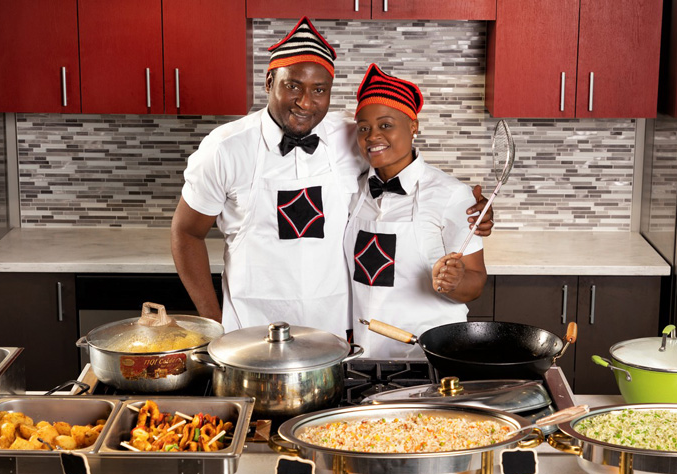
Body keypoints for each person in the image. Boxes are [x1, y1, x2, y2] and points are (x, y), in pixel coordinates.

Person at [171, 17, 493, 338]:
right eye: (292, 86)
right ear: (269, 82)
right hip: (249, 332)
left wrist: (466, 205)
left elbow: (399, 156)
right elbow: (186, 232)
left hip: (333, 336)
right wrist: (215, 325)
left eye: (319, 90)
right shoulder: (225, 149)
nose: (305, 102)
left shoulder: (350, 136)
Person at [346, 64, 487, 359]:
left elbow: (475, 281)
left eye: (386, 125)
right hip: (363, 357)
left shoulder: (451, 195)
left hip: (430, 356)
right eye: (364, 128)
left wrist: (455, 283)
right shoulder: (351, 190)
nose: (372, 136)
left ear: (413, 126)